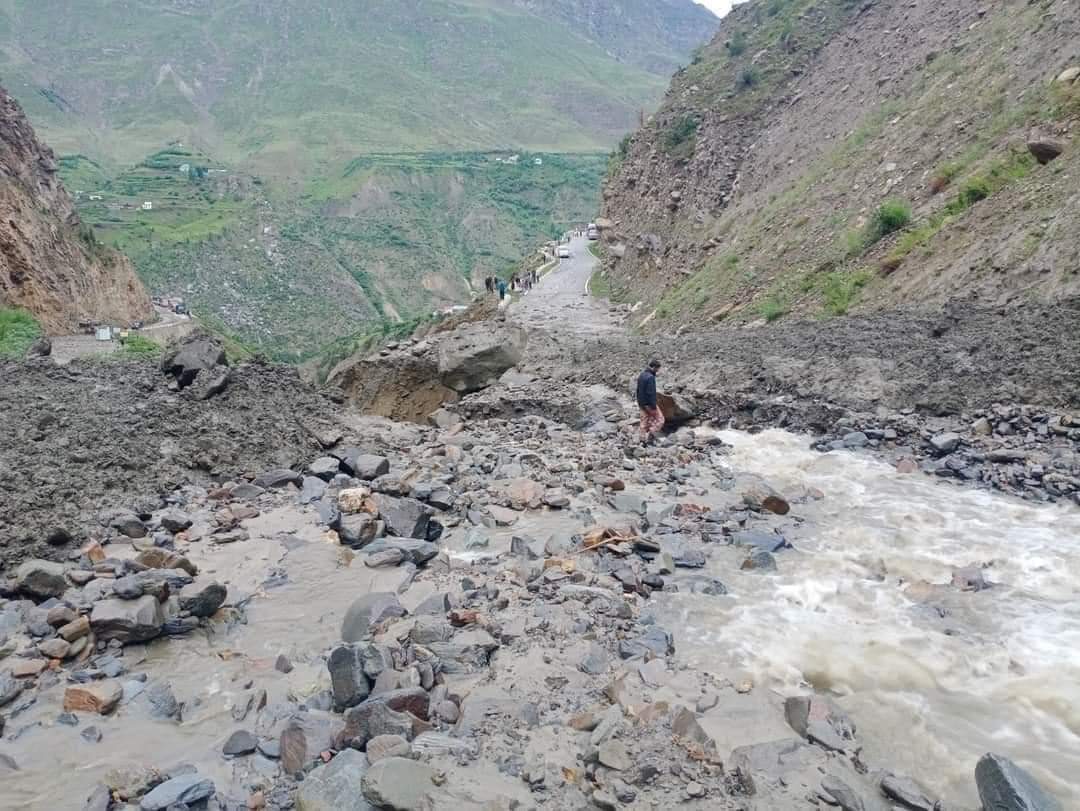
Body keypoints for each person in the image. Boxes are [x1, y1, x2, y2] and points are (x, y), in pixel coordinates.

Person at [636, 360, 664, 444]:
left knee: (644, 421)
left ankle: (642, 440)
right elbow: (650, 393)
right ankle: (650, 435)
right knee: (660, 420)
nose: (658, 371)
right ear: (654, 367)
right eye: (658, 369)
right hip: (649, 404)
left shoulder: (642, 375)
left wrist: (640, 403)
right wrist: (653, 406)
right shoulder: (650, 377)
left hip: (641, 403)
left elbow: (638, 390)